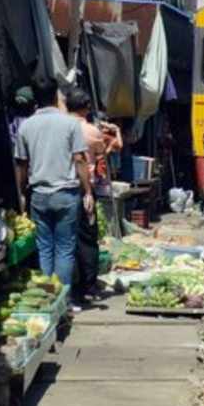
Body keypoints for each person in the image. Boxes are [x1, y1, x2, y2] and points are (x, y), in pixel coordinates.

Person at [15, 82, 89, 293]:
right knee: (65, 249)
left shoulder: (26, 126)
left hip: (38, 194)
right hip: (66, 194)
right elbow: (79, 160)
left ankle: (46, 298)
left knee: (44, 248)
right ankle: (62, 301)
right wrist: (88, 191)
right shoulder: (70, 124)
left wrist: (20, 192)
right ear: (57, 98)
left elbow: (21, 164)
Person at [76, 98, 121, 305]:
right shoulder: (91, 131)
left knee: (59, 243)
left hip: (50, 189)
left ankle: (63, 292)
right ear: (85, 109)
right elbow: (111, 148)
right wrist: (115, 130)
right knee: (87, 238)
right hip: (83, 189)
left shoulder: (52, 126)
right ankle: (88, 288)